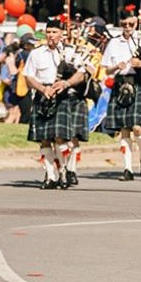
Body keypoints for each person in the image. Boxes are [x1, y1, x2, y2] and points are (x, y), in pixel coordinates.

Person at [22, 19, 85, 188]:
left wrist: (66, 84)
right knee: (44, 138)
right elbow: (28, 76)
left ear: (62, 34)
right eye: (48, 32)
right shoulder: (36, 53)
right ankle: (50, 176)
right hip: (43, 96)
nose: (50, 35)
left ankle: (63, 172)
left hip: (62, 96)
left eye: (54, 32)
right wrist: (43, 89)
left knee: (60, 138)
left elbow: (81, 74)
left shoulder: (70, 52)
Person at [102, 7, 141, 181]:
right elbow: (106, 69)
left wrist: (140, 64)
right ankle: (127, 168)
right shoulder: (114, 43)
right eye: (124, 24)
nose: (127, 27)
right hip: (120, 84)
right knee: (124, 129)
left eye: (131, 24)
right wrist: (115, 67)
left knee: (137, 127)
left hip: (138, 83)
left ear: (136, 23)